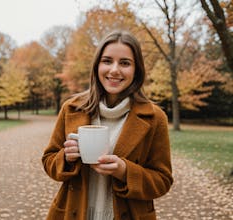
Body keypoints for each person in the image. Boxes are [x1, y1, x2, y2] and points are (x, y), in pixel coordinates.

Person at [41, 30, 173, 220]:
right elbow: (48, 161)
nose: (114, 70)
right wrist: (66, 158)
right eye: (107, 61)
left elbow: (163, 180)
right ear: (97, 66)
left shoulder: (154, 118)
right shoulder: (72, 109)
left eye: (125, 63)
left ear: (137, 70)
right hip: (73, 212)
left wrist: (125, 171)